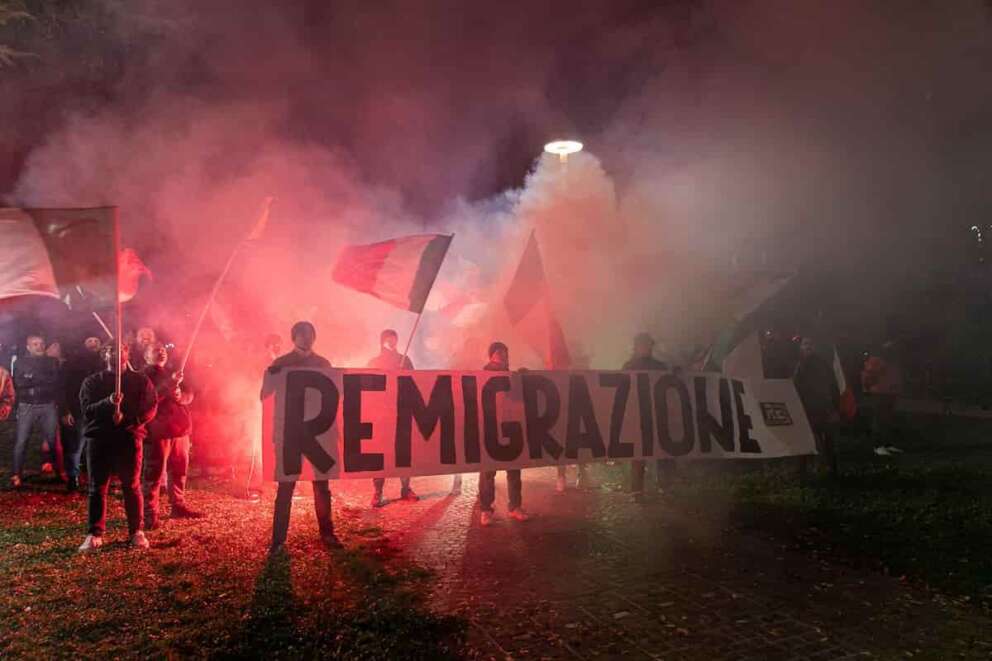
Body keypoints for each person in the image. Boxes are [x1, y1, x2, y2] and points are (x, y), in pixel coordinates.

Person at [264, 321, 339, 553]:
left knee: (321, 486)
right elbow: (265, 396)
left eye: (310, 334)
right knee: (286, 487)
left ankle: (327, 534)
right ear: (293, 337)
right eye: (301, 334)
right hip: (290, 433)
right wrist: (271, 374)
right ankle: (278, 540)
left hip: (317, 434)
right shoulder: (281, 363)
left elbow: (336, 395)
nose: (306, 338)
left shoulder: (323, 363)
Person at [78, 342, 158, 552]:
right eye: (110, 350)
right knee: (98, 487)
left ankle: (136, 532)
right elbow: (87, 409)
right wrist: (108, 402)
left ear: (127, 353)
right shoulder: (92, 382)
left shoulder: (140, 380)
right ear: (104, 355)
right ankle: (95, 533)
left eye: (120, 350)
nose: (115, 353)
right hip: (99, 439)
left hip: (128, 438)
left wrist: (132, 419)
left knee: (131, 486)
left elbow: (151, 405)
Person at [142, 343, 201, 528]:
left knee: (179, 470)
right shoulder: (143, 376)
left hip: (180, 429)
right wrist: (170, 384)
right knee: (154, 473)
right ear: (146, 357)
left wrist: (179, 395)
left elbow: (189, 394)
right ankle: (150, 513)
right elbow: (149, 398)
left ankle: (178, 505)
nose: (161, 352)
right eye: (155, 350)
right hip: (159, 430)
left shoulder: (173, 372)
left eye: (163, 350)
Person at [477, 342, 529, 526]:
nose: (503, 355)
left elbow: (518, 398)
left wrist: (523, 378)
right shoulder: (482, 375)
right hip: (491, 428)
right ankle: (485, 509)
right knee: (488, 472)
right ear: (491, 355)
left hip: (510, 427)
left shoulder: (512, 375)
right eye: (499, 352)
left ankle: (515, 506)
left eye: (505, 352)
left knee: (514, 469)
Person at [366, 329, 419, 507]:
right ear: (382, 342)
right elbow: (367, 387)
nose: (391, 342)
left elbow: (416, 382)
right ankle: (378, 491)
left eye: (394, 339)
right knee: (380, 454)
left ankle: (405, 488)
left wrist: (404, 373)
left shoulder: (406, 360)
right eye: (388, 339)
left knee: (403, 452)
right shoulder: (374, 362)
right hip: (382, 415)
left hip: (402, 411)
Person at [623, 332, 675, 504]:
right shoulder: (629, 366)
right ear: (637, 347)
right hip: (637, 414)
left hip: (657, 413)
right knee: (639, 453)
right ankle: (637, 490)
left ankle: (665, 486)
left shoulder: (659, 367)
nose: (646, 348)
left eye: (648, 345)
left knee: (663, 450)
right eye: (643, 345)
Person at [11, 334, 62, 488]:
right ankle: (16, 474)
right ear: (28, 347)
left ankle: (61, 472)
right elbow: (19, 382)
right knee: (21, 441)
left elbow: (54, 381)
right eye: (35, 344)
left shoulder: (52, 361)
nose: (39, 346)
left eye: (41, 344)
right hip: (27, 405)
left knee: (54, 440)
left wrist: (31, 378)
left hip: (47, 404)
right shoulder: (19, 362)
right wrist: (39, 378)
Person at [60, 339, 105, 492]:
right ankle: (73, 477)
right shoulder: (73, 363)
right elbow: (63, 387)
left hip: (100, 410)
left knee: (98, 446)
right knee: (76, 445)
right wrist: (65, 410)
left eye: (96, 340)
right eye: (89, 340)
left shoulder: (105, 362)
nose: (93, 343)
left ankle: (96, 477)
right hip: (79, 410)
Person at [793, 337, 840, 477]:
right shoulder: (801, 365)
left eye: (810, 344)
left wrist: (835, 407)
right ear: (801, 347)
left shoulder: (822, 365)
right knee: (808, 439)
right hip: (809, 408)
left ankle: (828, 468)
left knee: (824, 440)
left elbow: (833, 387)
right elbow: (795, 387)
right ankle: (806, 468)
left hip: (822, 408)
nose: (808, 347)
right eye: (805, 344)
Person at [862, 342, 903, 456]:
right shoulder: (875, 361)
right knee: (879, 421)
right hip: (879, 394)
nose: (892, 351)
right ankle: (877, 446)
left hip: (890, 394)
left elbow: (895, 377)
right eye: (889, 348)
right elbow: (867, 377)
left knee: (888, 420)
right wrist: (870, 389)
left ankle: (887, 444)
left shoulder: (893, 362)